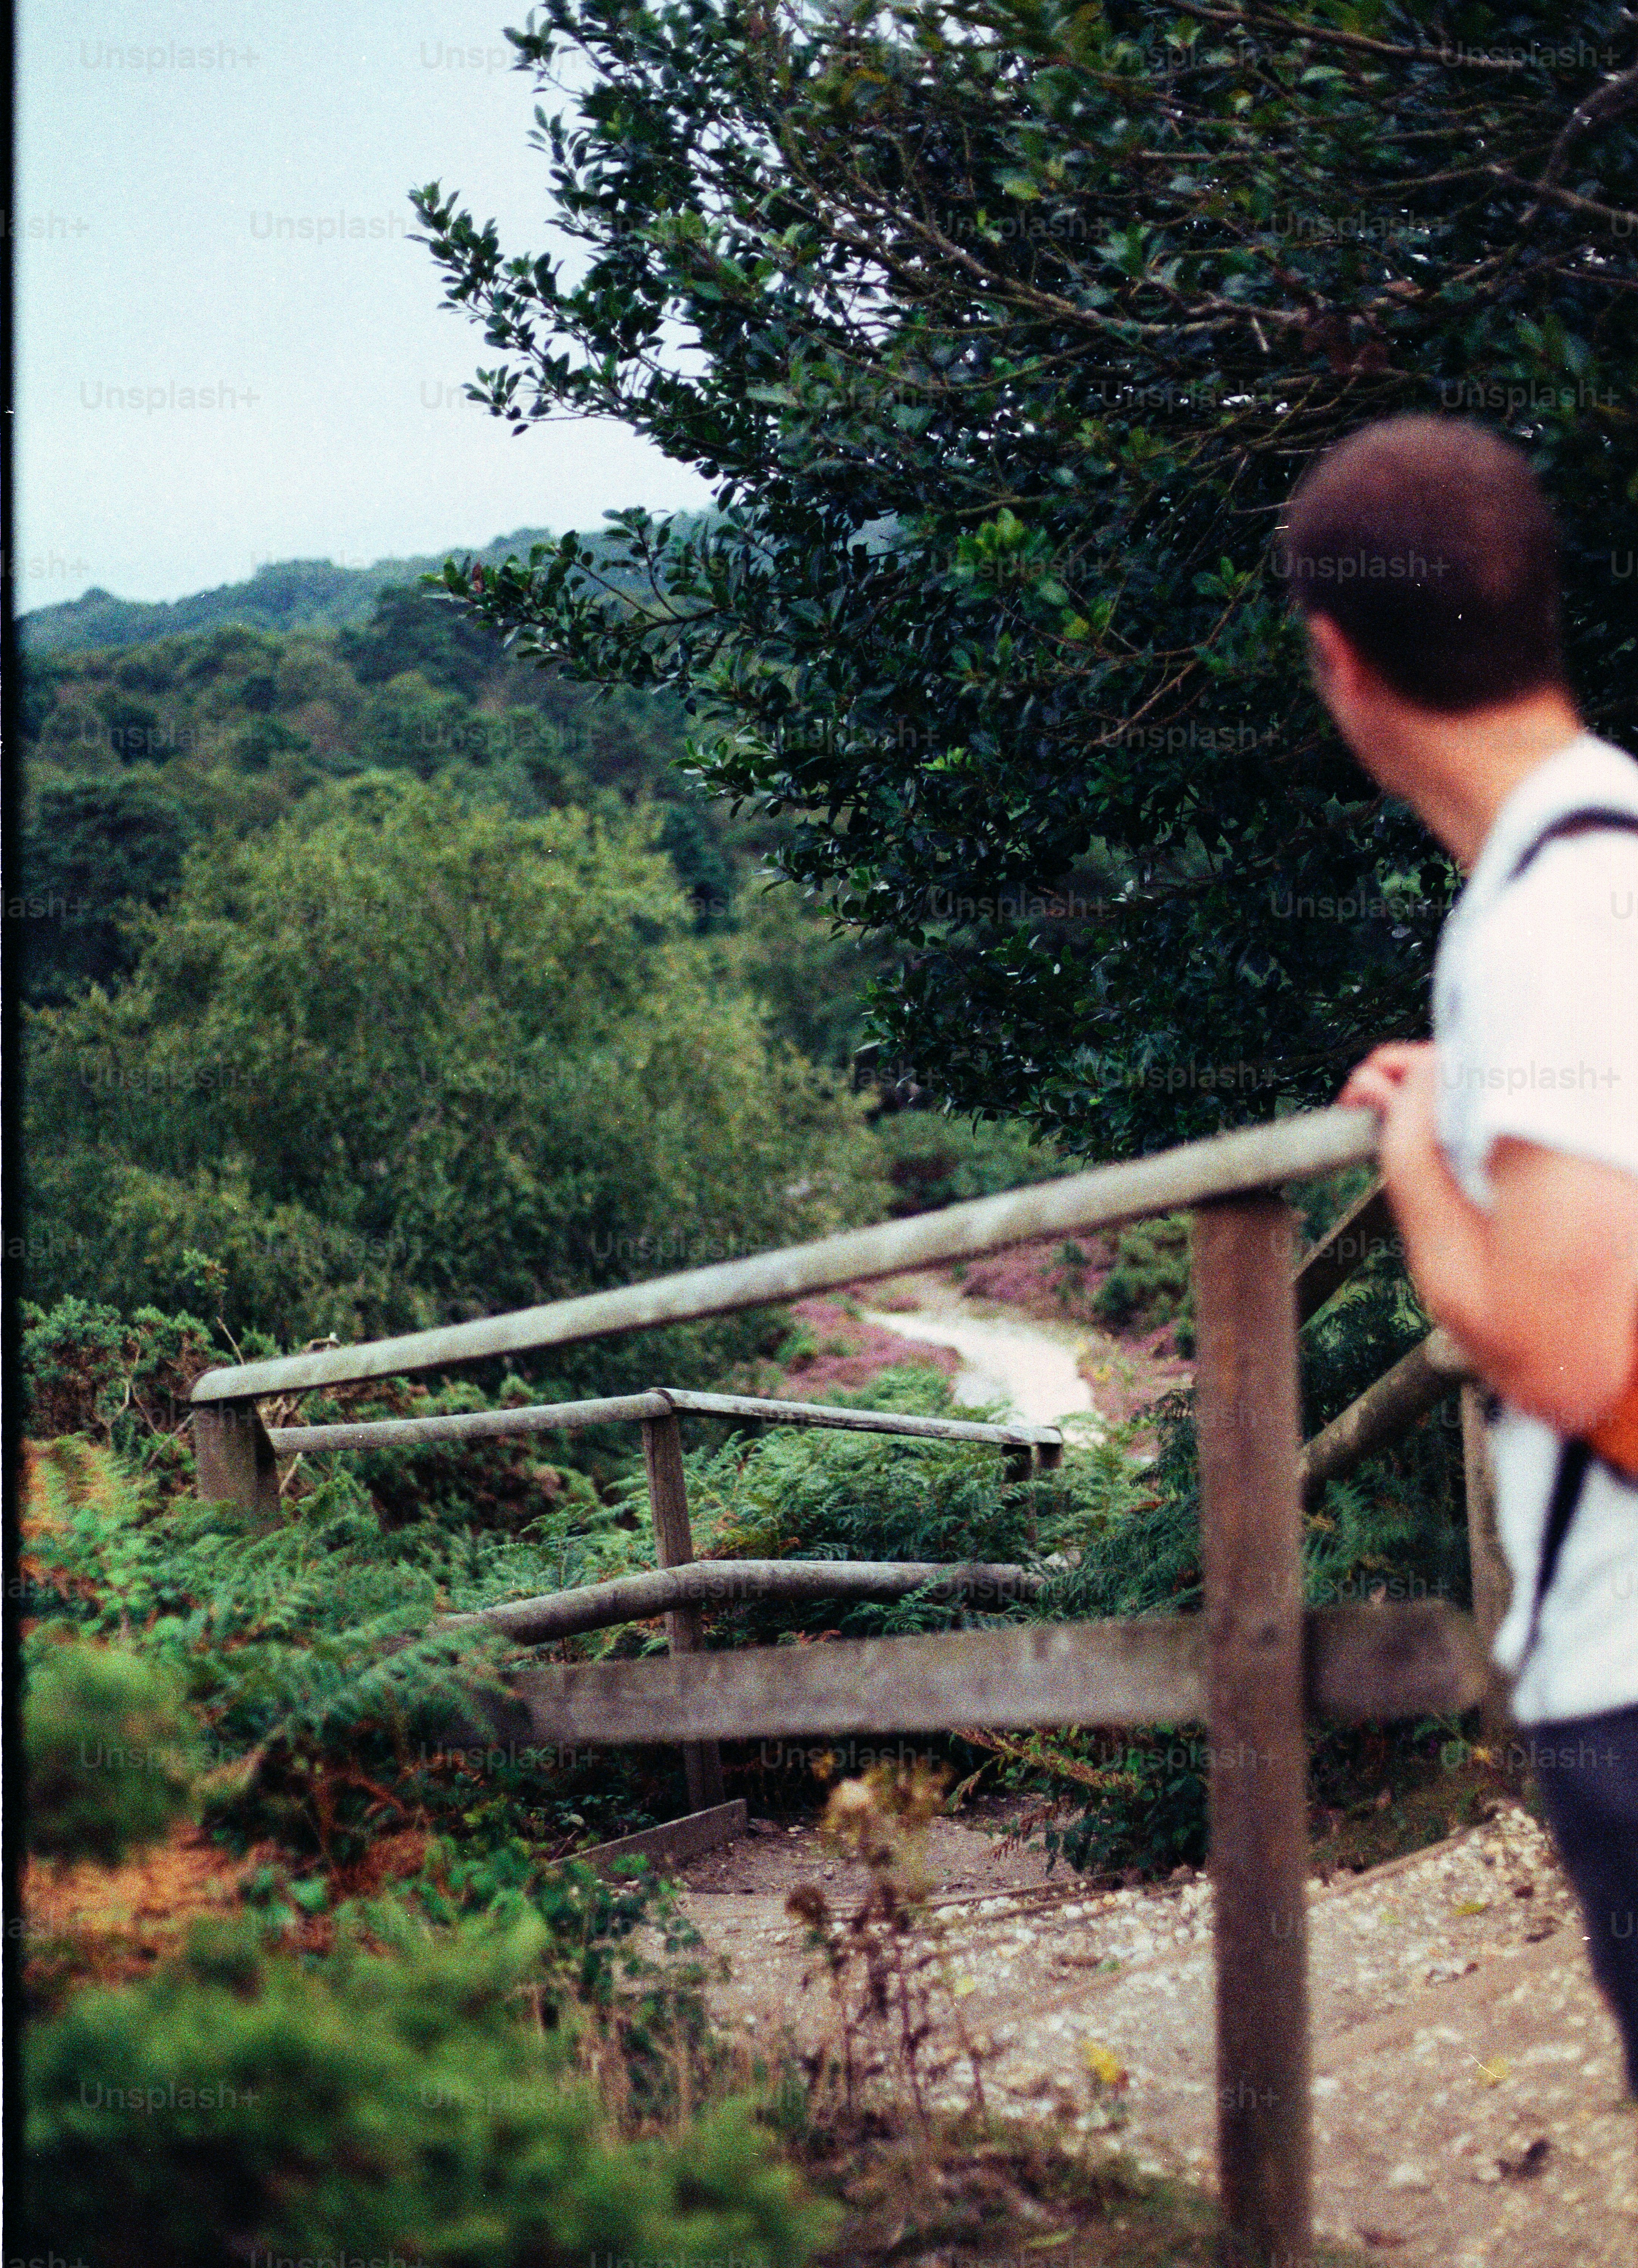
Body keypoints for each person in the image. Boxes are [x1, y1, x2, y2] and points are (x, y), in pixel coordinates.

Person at [1280, 412, 1638, 2098]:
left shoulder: (1561, 918)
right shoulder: (1596, 859)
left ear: (1337, 659)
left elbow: (1565, 1353)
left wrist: (1420, 1163)